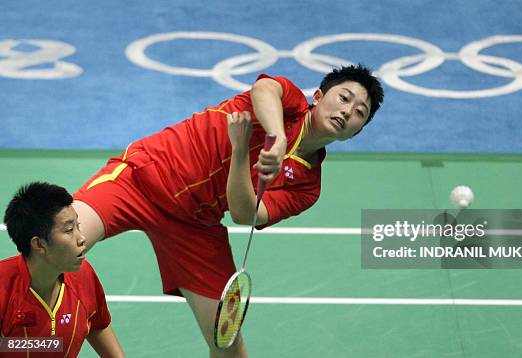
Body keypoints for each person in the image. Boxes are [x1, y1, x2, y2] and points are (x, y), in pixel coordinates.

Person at [72, 64, 384, 357]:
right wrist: (276, 138)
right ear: (317, 97)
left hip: (194, 225)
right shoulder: (287, 102)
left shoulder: (307, 187)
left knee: (228, 344)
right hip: (141, 177)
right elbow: (264, 88)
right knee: (60, 242)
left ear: (356, 133)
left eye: (359, 113)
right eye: (344, 98)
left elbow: (245, 215)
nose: (346, 111)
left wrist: (240, 151)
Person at [0, 182, 125, 358]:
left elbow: (97, 323)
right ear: (39, 244)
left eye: (78, 226)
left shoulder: (83, 276)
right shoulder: (4, 289)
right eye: (69, 230)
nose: (82, 238)